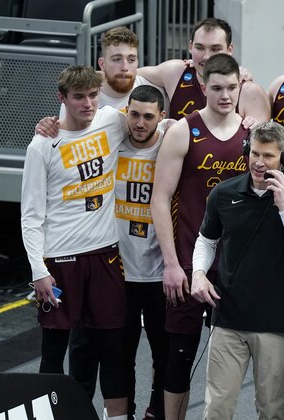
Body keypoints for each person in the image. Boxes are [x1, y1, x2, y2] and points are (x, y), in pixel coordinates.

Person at [190, 121, 284, 420]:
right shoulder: (224, 193)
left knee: (271, 409)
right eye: (255, 154)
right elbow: (206, 241)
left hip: (275, 323)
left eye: (269, 157)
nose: (260, 163)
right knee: (217, 407)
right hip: (227, 318)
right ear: (247, 151)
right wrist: (198, 273)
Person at [20, 65, 129, 419]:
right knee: (54, 349)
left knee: (111, 345)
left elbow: (155, 108)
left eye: (93, 95)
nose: (88, 103)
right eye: (79, 97)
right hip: (60, 260)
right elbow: (31, 216)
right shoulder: (42, 144)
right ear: (62, 98)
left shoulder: (112, 120)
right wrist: (39, 271)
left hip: (104, 254)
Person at [149, 53, 250, 420]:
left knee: (238, 361)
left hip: (237, 269)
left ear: (241, 85)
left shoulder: (252, 134)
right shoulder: (182, 131)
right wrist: (172, 265)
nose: (225, 96)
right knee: (179, 357)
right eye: (217, 88)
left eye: (232, 88)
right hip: (190, 265)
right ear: (203, 87)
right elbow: (159, 199)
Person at [116, 85, 169, 420]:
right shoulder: (113, 142)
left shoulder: (170, 144)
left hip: (161, 271)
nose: (139, 122)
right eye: (133, 114)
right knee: (121, 354)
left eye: (148, 116)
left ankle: (157, 412)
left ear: (160, 118)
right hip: (119, 272)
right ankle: (125, 414)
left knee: (163, 355)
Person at [137, 18, 270, 122]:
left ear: (229, 50)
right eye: (199, 48)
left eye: (215, 49)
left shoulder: (249, 92)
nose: (206, 57)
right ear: (190, 46)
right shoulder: (176, 72)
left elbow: (263, 150)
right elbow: (128, 74)